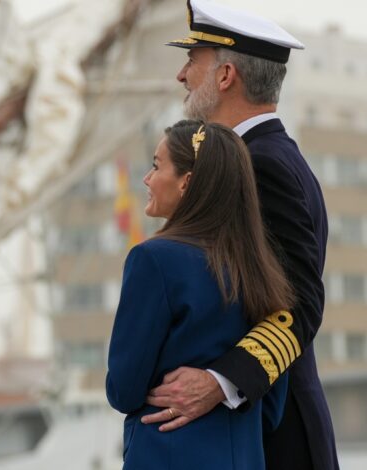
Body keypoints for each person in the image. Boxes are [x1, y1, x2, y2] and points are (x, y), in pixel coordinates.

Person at [140, 2, 338, 469]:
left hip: (274, 434)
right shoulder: (256, 158)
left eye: (192, 61)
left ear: (226, 75)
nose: (181, 76)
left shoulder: (261, 165)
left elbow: (300, 303)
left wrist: (220, 380)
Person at [106, 121, 293, 469]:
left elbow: (123, 389)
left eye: (157, 165)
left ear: (186, 182)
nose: (147, 178)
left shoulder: (153, 259)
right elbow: (271, 409)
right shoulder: (261, 267)